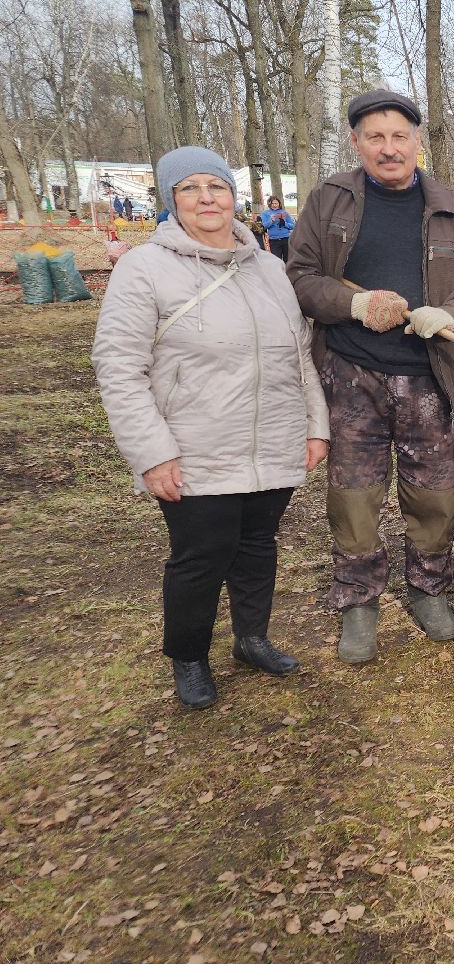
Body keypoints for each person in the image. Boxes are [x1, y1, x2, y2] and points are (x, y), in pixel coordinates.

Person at [92, 146, 329, 709]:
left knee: (257, 546)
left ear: (233, 196)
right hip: (194, 448)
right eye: (191, 188)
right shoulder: (144, 268)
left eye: (216, 187)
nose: (207, 198)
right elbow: (119, 365)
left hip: (273, 438)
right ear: (172, 199)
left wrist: (315, 425)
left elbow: (301, 357)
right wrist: (151, 453)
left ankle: (251, 638)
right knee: (201, 556)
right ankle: (190, 657)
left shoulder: (270, 269)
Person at [289, 89, 454, 664]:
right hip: (351, 374)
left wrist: (451, 313)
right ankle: (359, 597)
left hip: (430, 376)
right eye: (375, 137)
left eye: (399, 136)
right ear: (356, 142)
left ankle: (428, 587)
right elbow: (300, 276)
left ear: (417, 143)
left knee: (436, 494)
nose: (389, 148)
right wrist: (351, 306)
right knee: (354, 494)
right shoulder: (329, 201)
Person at [262, 196, 295, 262]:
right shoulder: (265, 213)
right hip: (274, 240)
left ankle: (287, 272)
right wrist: (271, 221)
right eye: (272, 203)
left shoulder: (284, 212)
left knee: (287, 259)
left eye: (276, 203)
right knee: (276, 260)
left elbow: (293, 226)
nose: (274, 205)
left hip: (286, 238)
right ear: (269, 204)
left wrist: (284, 223)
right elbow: (264, 226)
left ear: (279, 204)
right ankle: (278, 272)